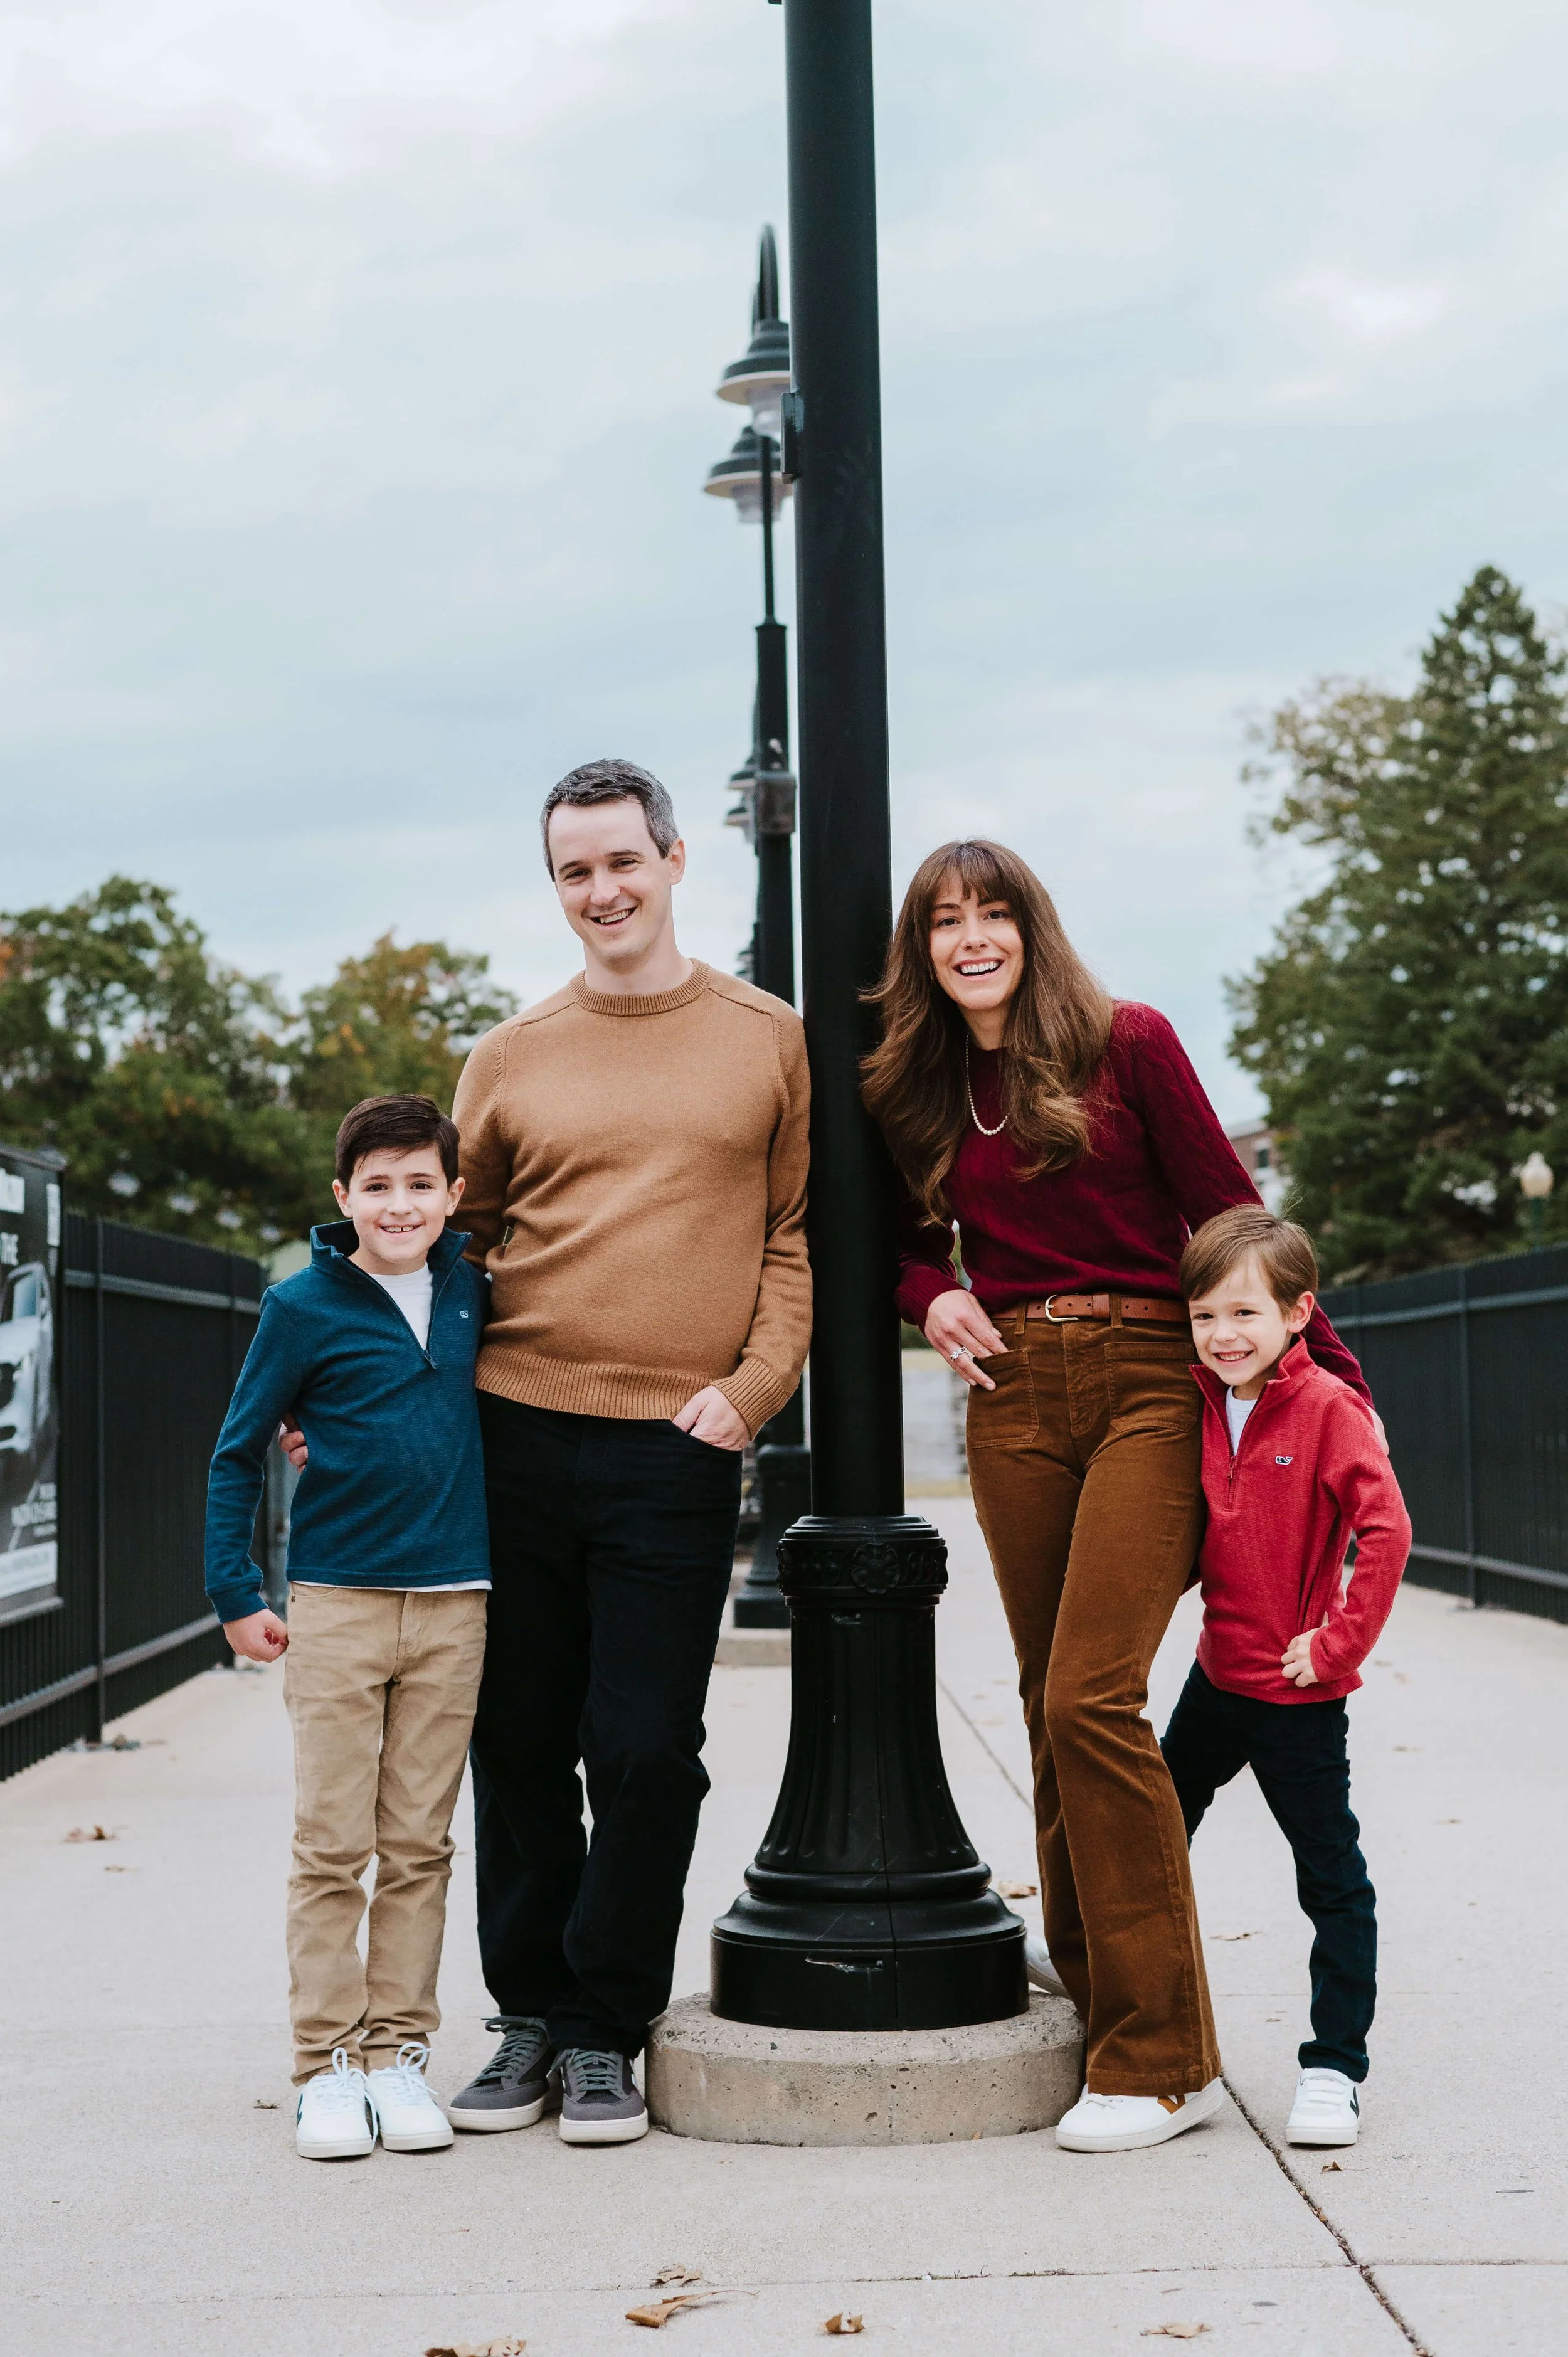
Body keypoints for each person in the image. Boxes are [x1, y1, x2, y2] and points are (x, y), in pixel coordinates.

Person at [861, 837, 1375, 2156]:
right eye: (943, 921)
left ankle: (1159, 2056)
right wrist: (937, 1294)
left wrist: (1334, 1392)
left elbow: (1231, 1217)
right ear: (921, 950)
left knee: (1093, 1690)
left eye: (992, 913)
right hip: (1013, 1392)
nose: (970, 937)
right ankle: (1098, 1985)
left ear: (1030, 927)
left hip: (1150, 1371)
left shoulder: (1124, 1042)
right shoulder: (916, 1082)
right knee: (1048, 1699)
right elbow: (901, 1245)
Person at [438, 757, 810, 2147]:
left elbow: (790, 1235)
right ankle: (530, 2014)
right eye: (572, 871)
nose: (600, 891)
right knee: (518, 1737)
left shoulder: (764, 1036)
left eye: (620, 862)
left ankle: (609, 2027)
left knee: (645, 1746)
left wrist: (752, 1387)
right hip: (510, 1429)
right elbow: (444, 1244)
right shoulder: (511, 1054)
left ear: (669, 860)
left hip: (678, 1440)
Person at [205, 1094, 491, 2162]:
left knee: (420, 1843)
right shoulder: (302, 1304)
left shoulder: (478, 1296)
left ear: (453, 1194)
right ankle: (323, 2067)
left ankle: (396, 2056)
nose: (400, 1203)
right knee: (334, 1844)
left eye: (421, 1183)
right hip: (336, 1600)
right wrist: (236, 1592)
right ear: (343, 1197)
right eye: (377, 1184)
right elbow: (239, 1450)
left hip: (458, 1600)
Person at [1165, 1203, 1410, 2148]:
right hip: (1214, 1681)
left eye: (1244, 1314)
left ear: (1298, 1313)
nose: (1224, 1335)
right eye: (1204, 1316)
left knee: (1332, 1880)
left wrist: (1338, 1642)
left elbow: (1386, 1530)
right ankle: (1102, 1983)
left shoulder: (1327, 1409)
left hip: (1299, 1698)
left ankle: (1335, 2068)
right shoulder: (1195, 1401)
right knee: (1146, 1832)